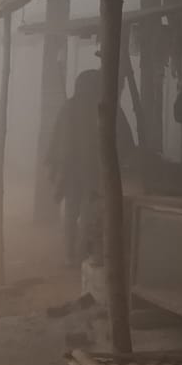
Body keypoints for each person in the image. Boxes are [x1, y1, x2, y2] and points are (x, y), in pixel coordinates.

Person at [46, 69, 136, 265]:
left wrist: (57, 165)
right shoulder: (107, 107)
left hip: (71, 169)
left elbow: (57, 138)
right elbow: (125, 140)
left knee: (72, 211)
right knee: (88, 210)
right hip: (94, 169)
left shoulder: (70, 106)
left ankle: (71, 255)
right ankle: (80, 254)